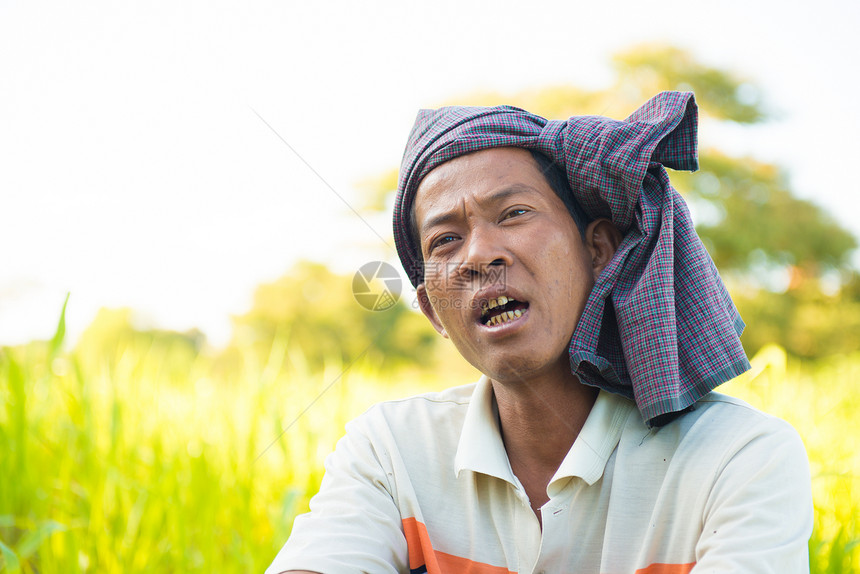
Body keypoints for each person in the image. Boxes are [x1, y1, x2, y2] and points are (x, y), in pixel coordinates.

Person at [266, 92, 813, 573]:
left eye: (515, 213)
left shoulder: (739, 459)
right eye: (445, 240)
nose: (480, 254)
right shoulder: (390, 451)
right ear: (434, 311)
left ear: (599, 251)